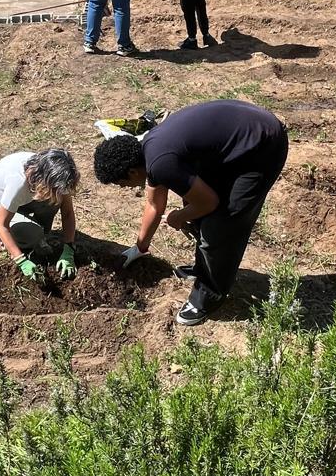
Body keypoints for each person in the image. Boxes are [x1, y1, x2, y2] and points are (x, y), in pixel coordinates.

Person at [93, 100, 288, 327]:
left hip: (262, 147)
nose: (125, 188)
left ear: (132, 171)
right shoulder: (149, 152)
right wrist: (139, 247)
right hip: (240, 139)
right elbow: (154, 205)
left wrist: (179, 217)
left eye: (122, 184)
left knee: (222, 224)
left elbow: (210, 202)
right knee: (193, 204)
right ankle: (203, 267)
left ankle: (209, 295)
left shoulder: (160, 163)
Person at [0, 147, 79, 283]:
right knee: (32, 235)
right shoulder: (18, 182)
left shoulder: (55, 173)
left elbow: (67, 211)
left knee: (54, 200)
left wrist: (68, 248)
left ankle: (26, 224)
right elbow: (2, 224)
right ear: (44, 180)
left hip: (17, 201)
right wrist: (20, 260)